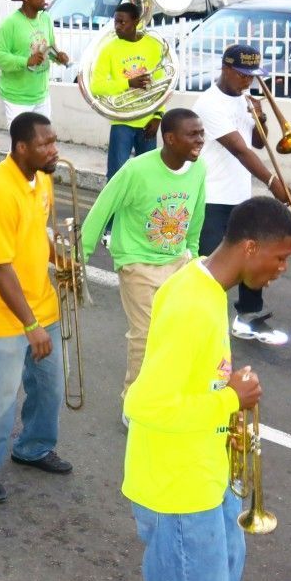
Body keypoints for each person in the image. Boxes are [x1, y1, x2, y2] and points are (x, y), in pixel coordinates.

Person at [123, 196, 291, 581]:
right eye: (281, 257)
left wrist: (224, 391)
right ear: (251, 247)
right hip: (179, 487)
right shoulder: (192, 305)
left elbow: (192, 377)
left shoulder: (207, 287)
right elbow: (144, 403)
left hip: (206, 472)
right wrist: (229, 399)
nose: (283, 268)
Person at [0, 112, 73, 503]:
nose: (53, 149)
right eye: (45, 144)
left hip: (39, 298)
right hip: (0, 307)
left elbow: (36, 231)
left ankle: (34, 447)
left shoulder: (41, 177)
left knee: (50, 384)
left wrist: (62, 257)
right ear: (21, 148)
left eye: (55, 141)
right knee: (3, 391)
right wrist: (30, 324)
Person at [82, 108, 207, 421]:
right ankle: (132, 403)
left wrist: (192, 252)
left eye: (201, 133)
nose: (200, 140)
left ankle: (164, 393)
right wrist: (79, 255)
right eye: (193, 134)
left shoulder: (199, 168)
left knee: (177, 333)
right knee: (146, 335)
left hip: (178, 261)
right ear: (170, 138)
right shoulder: (136, 170)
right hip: (137, 261)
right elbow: (103, 208)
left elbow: (196, 212)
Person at [192, 44, 291, 345]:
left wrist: (261, 119)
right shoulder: (209, 103)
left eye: (252, 76)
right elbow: (239, 149)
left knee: (253, 254)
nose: (248, 81)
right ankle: (198, 318)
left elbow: (259, 145)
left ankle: (248, 317)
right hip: (212, 195)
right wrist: (272, 181)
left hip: (239, 194)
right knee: (209, 261)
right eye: (243, 75)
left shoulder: (246, 99)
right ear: (226, 69)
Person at [90, 2, 164, 182]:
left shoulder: (153, 46)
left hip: (148, 120)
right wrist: (128, 83)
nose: (117, 27)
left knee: (147, 175)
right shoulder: (108, 49)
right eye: (116, 22)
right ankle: (113, 211)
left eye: (122, 22)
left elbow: (162, 84)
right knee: (116, 176)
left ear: (136, 21)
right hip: (122, 120)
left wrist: (158, 116)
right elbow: (96, 86)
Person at [0, 0, 69, 125]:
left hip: (42, 95)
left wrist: (58, 56)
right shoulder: (10, 24)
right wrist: (26, 61)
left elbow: (49, 47)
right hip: (17, 98)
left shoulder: (45, 19)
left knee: (41, 142)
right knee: (21, 146)